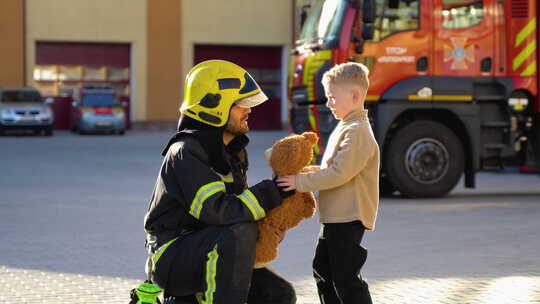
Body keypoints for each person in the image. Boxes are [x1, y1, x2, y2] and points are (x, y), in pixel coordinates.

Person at [144, 60, 296, 304]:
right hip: (172, 257)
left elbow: (239, 211)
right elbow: (218, 211)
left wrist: (267, 226)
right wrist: (271, 192)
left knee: (278, 295)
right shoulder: (185, 152)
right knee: (239, 232)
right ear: (214, 105)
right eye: (240, 104)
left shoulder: (233, 152)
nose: (249, 110)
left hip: (214, 246)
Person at [276, 62, 379, 304]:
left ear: (354, 95)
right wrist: (304, 172)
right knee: (323, 270)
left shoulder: (358, 131)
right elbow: (329, 169)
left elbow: (338, 174)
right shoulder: (347, 126)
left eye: (332, 98)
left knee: (345, 278)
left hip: (349, 217)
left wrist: (299, 181)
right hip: (335, 217)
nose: (328, 103)